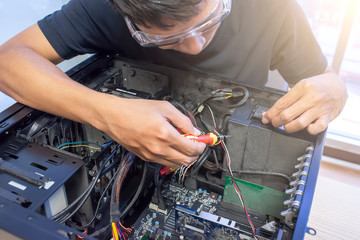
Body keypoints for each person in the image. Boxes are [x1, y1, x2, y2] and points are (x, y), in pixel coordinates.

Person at [0, 0, 347, 168]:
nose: (196, 46)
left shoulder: (272, 6)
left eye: (210, 20)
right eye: (168, 38)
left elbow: (322, 83)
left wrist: (336, 89)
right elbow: (8, 60)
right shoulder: (104, 8)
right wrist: (105, 112)